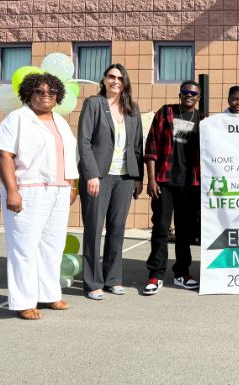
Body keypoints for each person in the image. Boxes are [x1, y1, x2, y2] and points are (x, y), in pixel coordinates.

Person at [0, 73, 79, 320]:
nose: (46, 95)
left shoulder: (60, 121)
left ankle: (50, 294)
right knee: (25, 247)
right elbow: (3, 155)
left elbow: (68, 157)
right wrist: (12, 191)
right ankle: (24, 301)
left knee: (52, 246)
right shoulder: (17, 119)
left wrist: (71, 186)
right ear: (28, 94)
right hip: (29, 190)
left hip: (58, 191)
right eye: (39, 91)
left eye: (51, 92)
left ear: (58, 96)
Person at [77, 64, 144, 300]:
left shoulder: (132, 109)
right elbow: (83, 142)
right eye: (111, 77)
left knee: (117, 230)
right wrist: (91, 174)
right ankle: (92, 282)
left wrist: (137, 177)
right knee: (94, 229)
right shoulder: (94, 104)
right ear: (104, 79)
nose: (115, 81)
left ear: (125, 83)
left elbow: (137, 146)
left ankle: (113, 279)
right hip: (99, 177)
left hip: (124, 178)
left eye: (120, 78)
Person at [143, 80, 203, 295]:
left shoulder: (203, 120)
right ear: (180, 94)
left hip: (190, 184)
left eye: (194, 93)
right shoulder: (165, 113)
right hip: (165, 181)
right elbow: (150, 147)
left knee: (185, 232)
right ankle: (155, 274)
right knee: (160, 229)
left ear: (198, 97)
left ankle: (182, 273)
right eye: (186, 92)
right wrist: (151, 180)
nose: (189, 95)